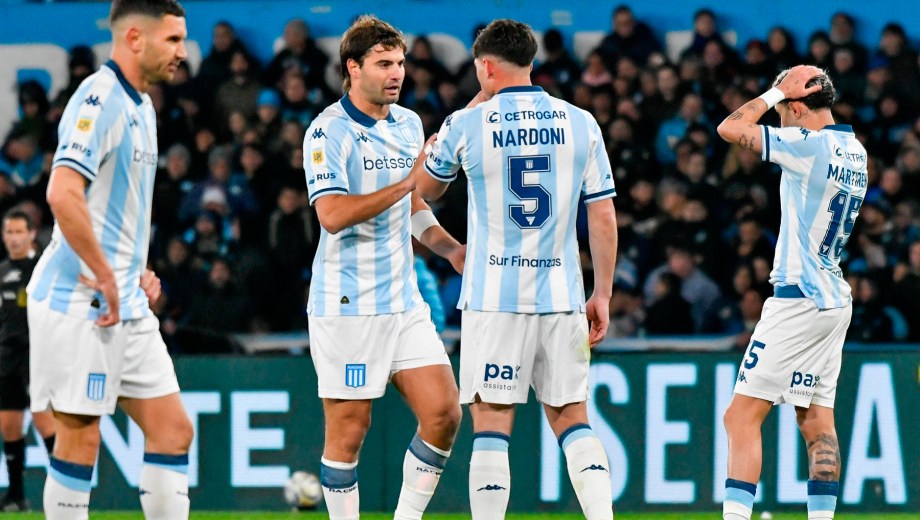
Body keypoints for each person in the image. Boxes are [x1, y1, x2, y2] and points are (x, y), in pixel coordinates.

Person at [417, 19, 618, 520]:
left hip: (494, 296)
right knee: (573, 418)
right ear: (531, 64)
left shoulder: (468, 125)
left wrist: (466, 111)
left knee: (491, 423)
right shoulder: (581, 122)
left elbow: (424, 188)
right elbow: (603, 214)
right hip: (562, 294)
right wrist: (603, 294)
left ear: (484, 66)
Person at [26, 1, 194, 518]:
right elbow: (62, 193)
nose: (182, 52)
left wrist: (131, 267)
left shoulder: (143, 105)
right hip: (80, 299)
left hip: (122, 296)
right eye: (172, 40)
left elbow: (111, 209)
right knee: (80, 441)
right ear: (135, 38)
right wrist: (106, 272)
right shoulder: (98, 100)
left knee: (173, 429)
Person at [302, 16, 465, 520]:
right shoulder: (328, 132)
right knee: (350, 430)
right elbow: (332, 215)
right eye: (384, 64)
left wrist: (451, 249)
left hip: (402, 300)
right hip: (348, 303)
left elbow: (413, 208)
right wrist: (406, 183)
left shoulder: (408, 123)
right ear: (352, 68)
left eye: (400, 63)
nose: (396, 74)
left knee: (443, 414)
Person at [716, 65, 865, 520]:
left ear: (797, 107)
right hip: (834, 298)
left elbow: (731, 128)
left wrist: (771, 92)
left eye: (785, 109)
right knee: (817, 421)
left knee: (740, 418)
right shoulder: (854, 150)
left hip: (798, 298)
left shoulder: (808, 146)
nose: (780, 116)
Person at [0, 209, 55, 512]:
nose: (14, 238)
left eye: (19, 231)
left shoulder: (43, 268)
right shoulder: (2, 271)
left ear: (32, 233)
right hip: (7, 356)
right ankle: (16, 496)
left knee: (45, 422)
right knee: (9, 425)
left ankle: (65, 492)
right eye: (9, 232)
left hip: (38, 355)